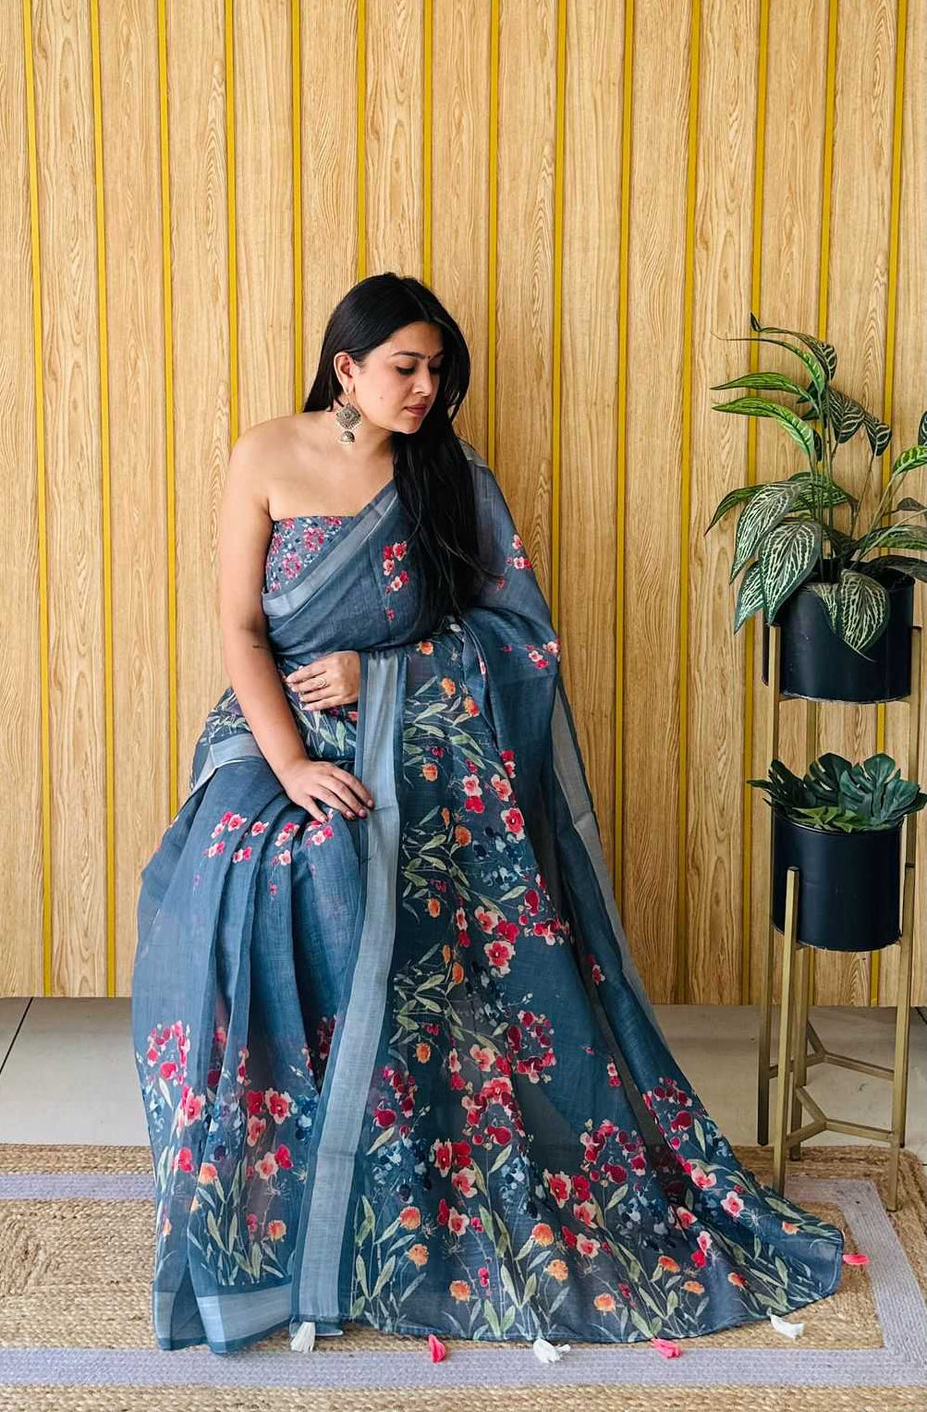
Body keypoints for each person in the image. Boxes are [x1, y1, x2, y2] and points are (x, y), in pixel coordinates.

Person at [130, 271, 843, 1358]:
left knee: (352, 864)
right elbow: (239, 628)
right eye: (406, 367)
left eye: (437, 371)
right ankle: (266, 1194)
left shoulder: (451, 479)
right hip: (271, 731)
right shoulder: (264, 456)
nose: (426, 389)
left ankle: (380, 1173)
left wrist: (381, 682)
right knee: (228, 867)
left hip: (410, 735)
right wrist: (290, 763)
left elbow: (520, 644)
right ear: (346, 369)